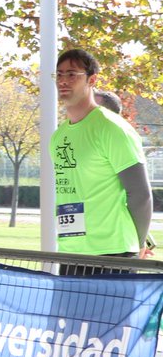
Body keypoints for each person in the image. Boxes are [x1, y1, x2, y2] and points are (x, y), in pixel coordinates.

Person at [50, 49, 151, 267]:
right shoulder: (58, 136)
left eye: (72, 74)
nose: (63, 81)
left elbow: (140, 194)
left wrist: (140, 243)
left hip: (114, 253)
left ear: (92, 80)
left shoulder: (112, 128)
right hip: (71, 252)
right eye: (59, 74)